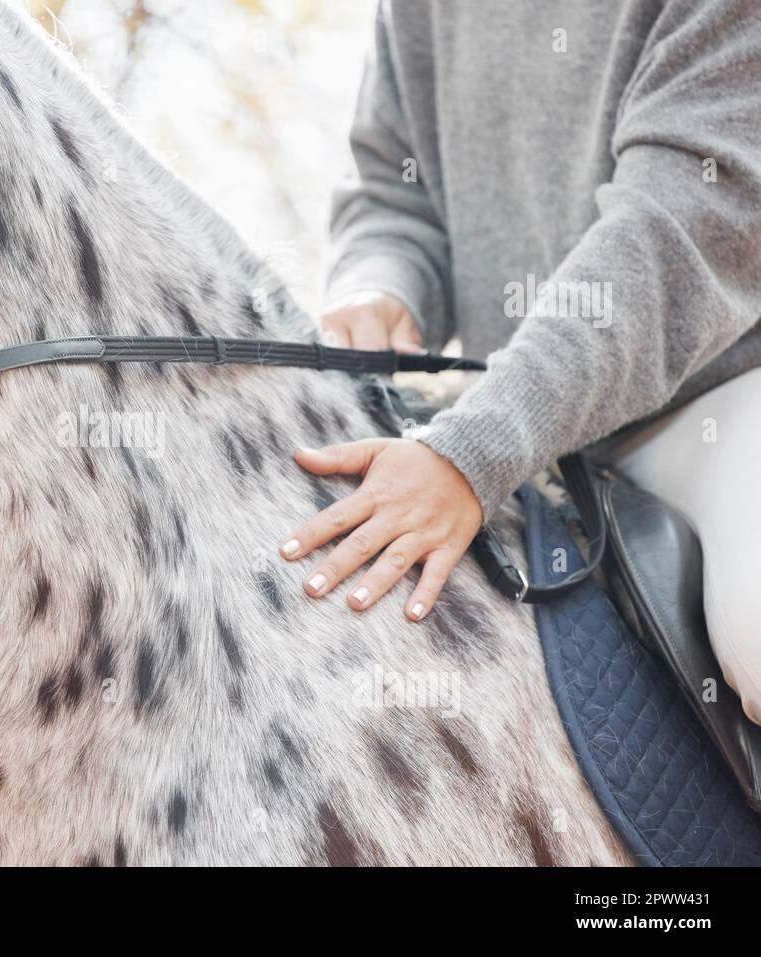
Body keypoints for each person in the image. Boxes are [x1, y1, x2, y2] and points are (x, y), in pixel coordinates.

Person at [279, 0, 761, 724]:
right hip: (511, 416)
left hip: (711, 400)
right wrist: (380, 284)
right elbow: (394, 189)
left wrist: (478, 448)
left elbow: (683, 229)